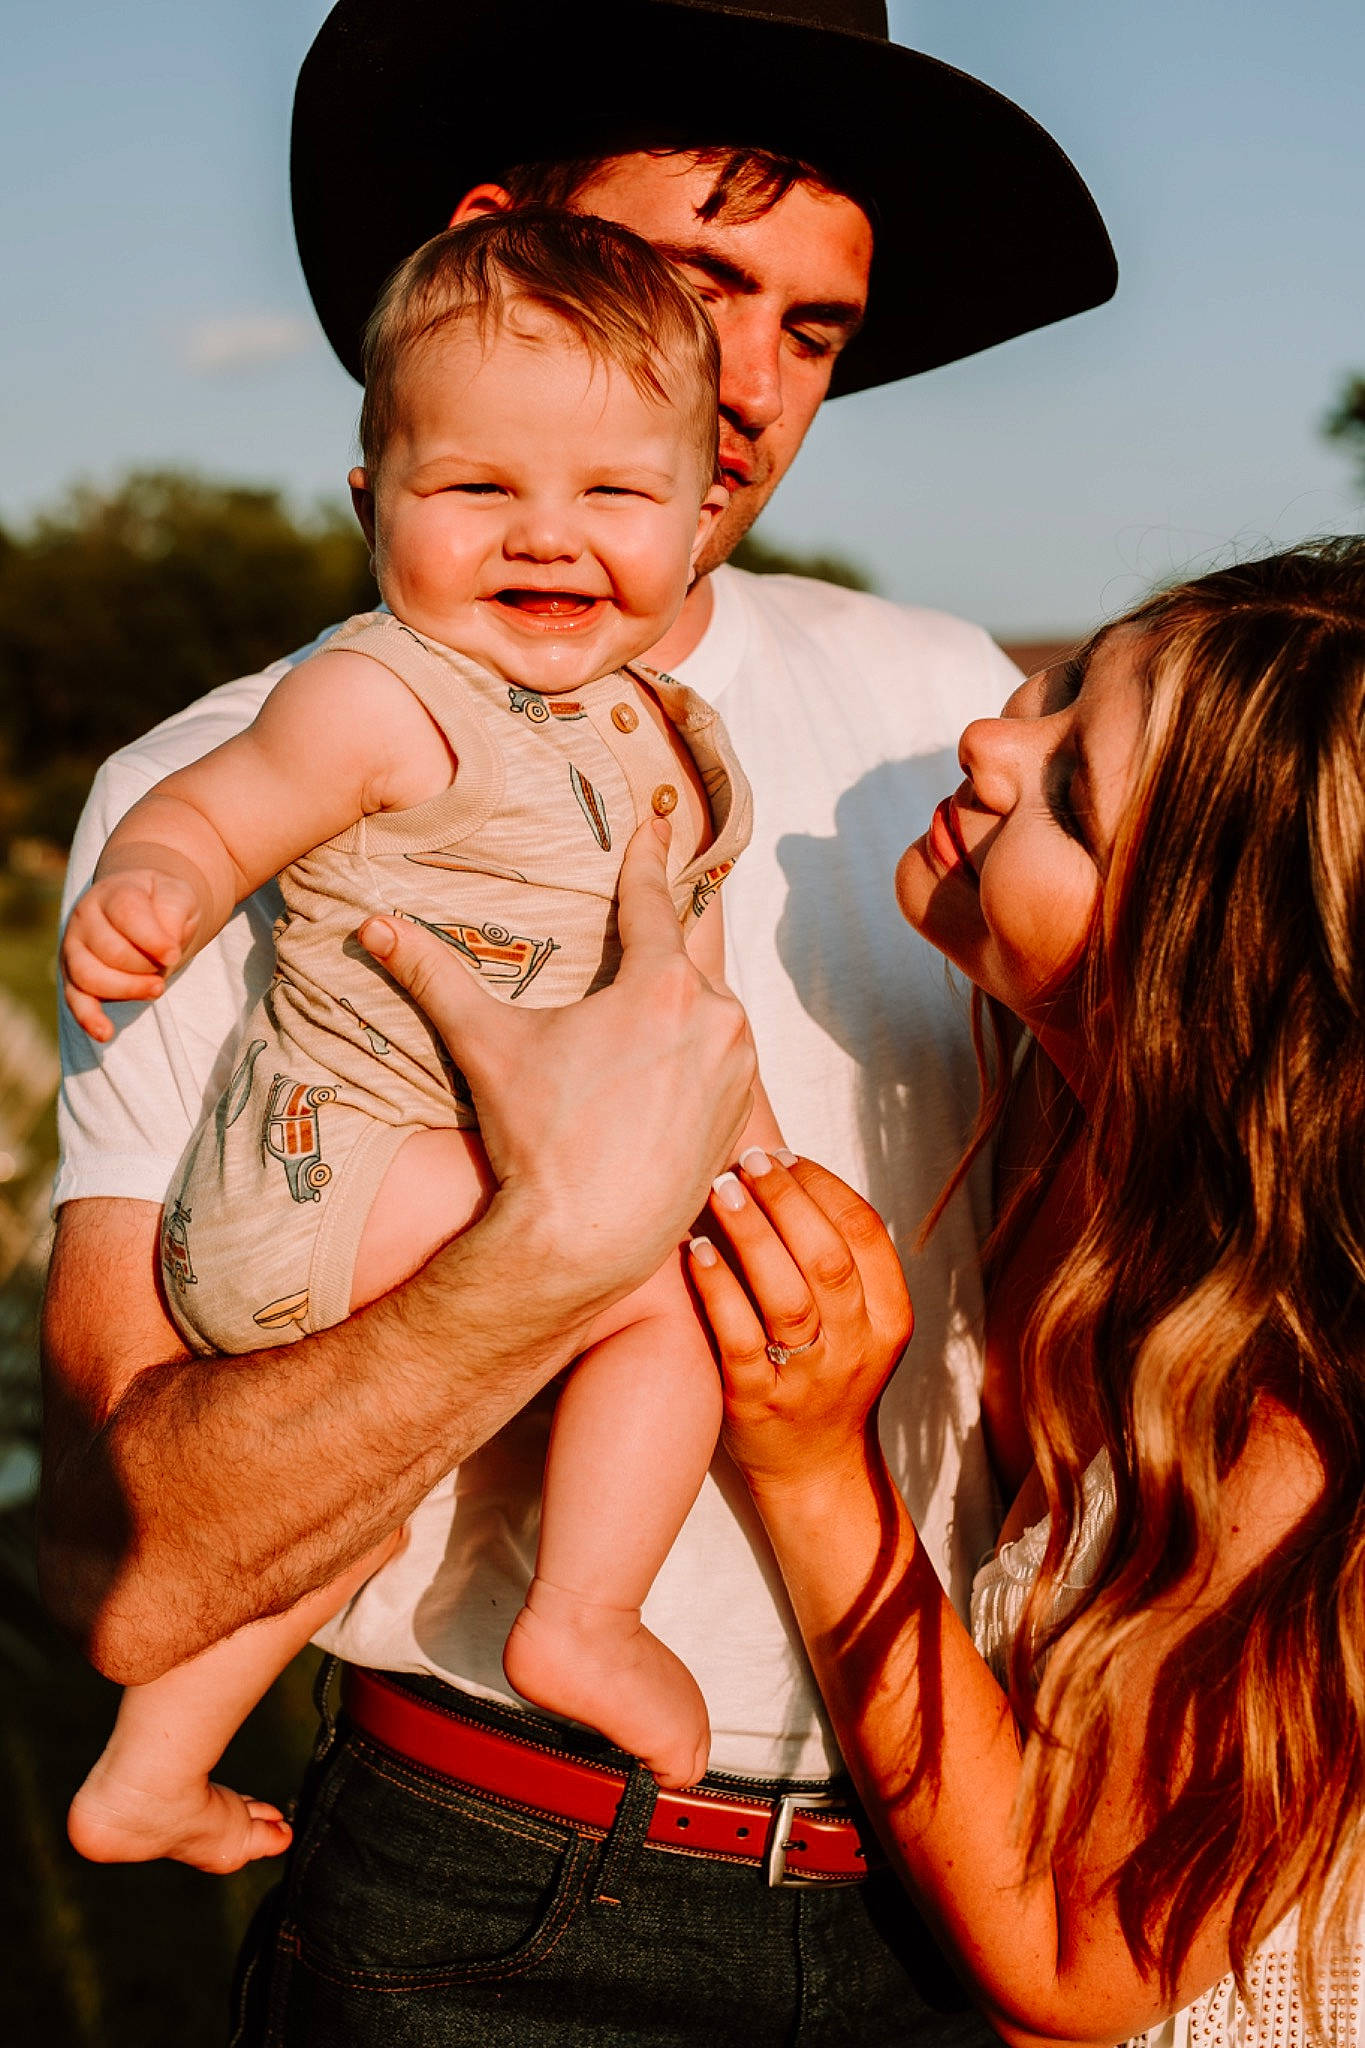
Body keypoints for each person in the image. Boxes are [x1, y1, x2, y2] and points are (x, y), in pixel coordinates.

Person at [40, 3, 1116, 2040]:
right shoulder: (245, 769)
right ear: (495, 244)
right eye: (704, 281)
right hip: (488, 1886)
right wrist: (551, 1247)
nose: (747, 389)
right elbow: (123, 1548)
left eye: (813, 329)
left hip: (963, 1854)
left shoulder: (944, 711)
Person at [59, 208, 787, 1871]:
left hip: (443, 1186)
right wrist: (153, 889)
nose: (546, 539)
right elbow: (221, 802)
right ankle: (581, 1616)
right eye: (476, 492)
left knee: (363, 1494)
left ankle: (149, 1774)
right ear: (369, 501)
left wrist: (740, 1161)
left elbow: (688, 998)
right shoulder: (381, 693)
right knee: (640, 1292)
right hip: (335, 1175)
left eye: (611, 496)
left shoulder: (665, 733)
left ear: (698, 522)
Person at [697, 538, 1365, 2046]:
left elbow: (1073, 1970)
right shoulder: (1069, 1139)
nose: (992, 738)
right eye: (1060, 689)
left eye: (1070, 794)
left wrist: (815, 1473)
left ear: (1205, 975)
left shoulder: (1298, 1417)